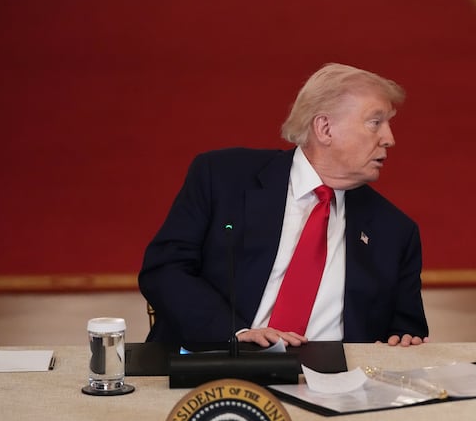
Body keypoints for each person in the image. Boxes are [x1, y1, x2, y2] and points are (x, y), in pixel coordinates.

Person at [139, 63, 429, 348]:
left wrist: (403, 339)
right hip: (216, 365)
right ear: (325, 128)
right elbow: (165, 270)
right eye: (375, 123)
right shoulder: (223, 178)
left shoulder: (395, 232)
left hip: (331, 386)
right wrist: (235, 333)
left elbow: (406, 328)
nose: (389, 139)